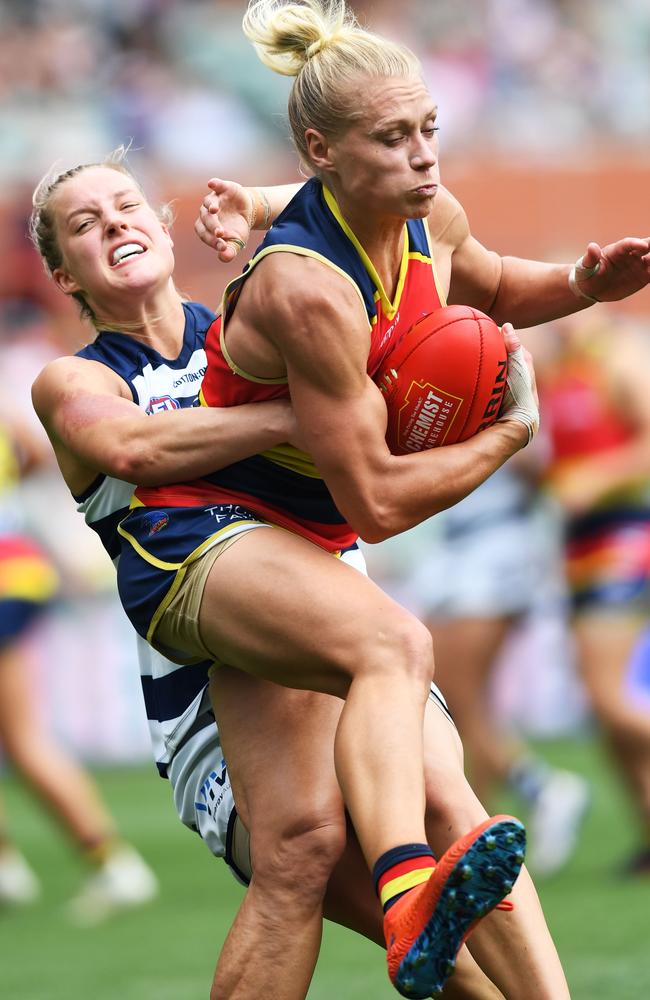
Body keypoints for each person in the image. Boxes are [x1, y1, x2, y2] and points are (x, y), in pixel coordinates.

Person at [113, 1, 650, 996]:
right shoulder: (305, 288)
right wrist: (506, 435)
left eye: (429, 130)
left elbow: (490, 284)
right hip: (206, 537)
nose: (422, 157)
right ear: (320, 149)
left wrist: (581, 284)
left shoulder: (425, 219)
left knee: (432, 807)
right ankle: (407, 887)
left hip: (308, 545)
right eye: (391, 137)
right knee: (394, 648)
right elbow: (379, 500)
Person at [30, 151, 568, 1000]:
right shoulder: (77, 378)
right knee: (303, 854)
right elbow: (133, 446)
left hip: (336, 617)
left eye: (128, 206)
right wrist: (312, 406)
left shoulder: (263, 320)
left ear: (164, 224)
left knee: (445, 813)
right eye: (86, 225)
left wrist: (564, 302)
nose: (117, 225)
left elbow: (355, 204)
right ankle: (404, 885)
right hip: (208, 681)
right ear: (63, 273)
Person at [377, 460, 591, 878]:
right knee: (451, 698)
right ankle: (480, 831)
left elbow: (544, 463)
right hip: (454, 546)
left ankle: (530, 795)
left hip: (496, 544)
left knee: (457, 697)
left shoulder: (518, 398)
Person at [0, 410, 158, 924]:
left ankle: (111, 863)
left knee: (22, 738)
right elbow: (33, 457)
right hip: (19, 566)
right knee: (22, 735)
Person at [536, 309, 650, 877]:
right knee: (602, 711)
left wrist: (595, 480)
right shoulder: (560, 366)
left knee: (609, 699)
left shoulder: (620, 360)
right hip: (580, 542)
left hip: (623, 533)